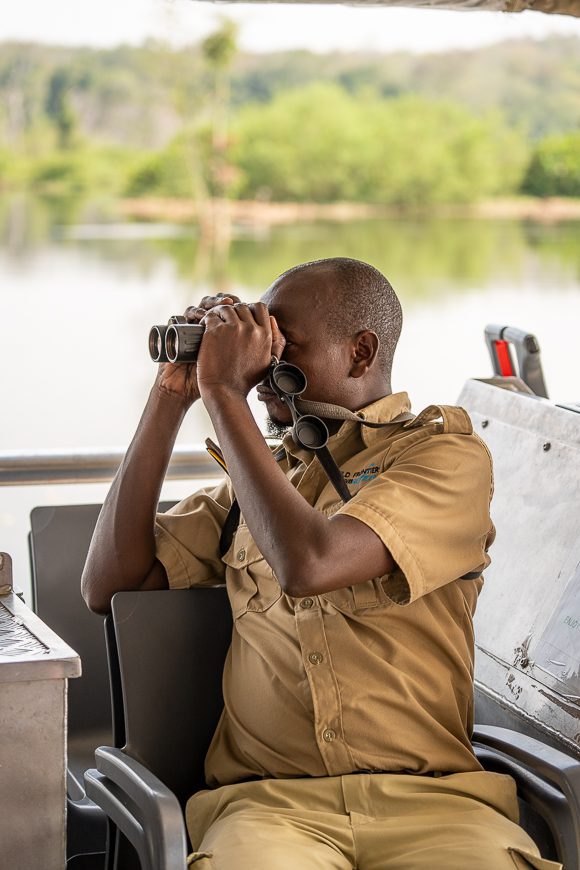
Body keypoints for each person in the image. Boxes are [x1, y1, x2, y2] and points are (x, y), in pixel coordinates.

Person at [82, 257, 560, 870]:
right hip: (268, 810)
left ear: (361, 353)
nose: (262, 371)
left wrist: (223, 392)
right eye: (261, 346)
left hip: (434, 807)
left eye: (288, 347)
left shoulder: (445, 459)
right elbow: (107, 585)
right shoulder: (254, 489)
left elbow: (311, 562)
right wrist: (172, 394)